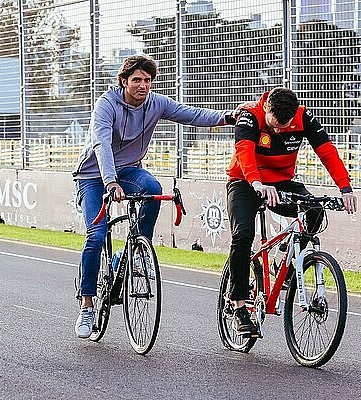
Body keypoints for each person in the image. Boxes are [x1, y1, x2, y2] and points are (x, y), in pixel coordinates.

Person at [71, 55, 238, 339]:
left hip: (129, 171)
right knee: (96, 236)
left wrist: (228, 117)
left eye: (147, 80)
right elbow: (101, 144)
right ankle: (87, 305)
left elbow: (191, 115)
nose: (143, 86)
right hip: (94, 176)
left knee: (153, 188)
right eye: (136, 80)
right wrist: (110, 182)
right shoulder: (106, 105)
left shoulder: (156, 103)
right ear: (123, 82)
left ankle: (136, 250)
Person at [225, 87, 357, 335]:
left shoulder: (303, 117)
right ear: (266, 108)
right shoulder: (249, 115)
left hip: (281, 182)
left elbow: (327, 151)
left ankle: (284, 262)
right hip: (245, 181)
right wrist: (256, 183)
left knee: (316, 210)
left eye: (284, 126)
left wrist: (345, 188)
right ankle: (240, 307)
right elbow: (244, 154)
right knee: (242, 236)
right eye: (274, 125)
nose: (278, 130)